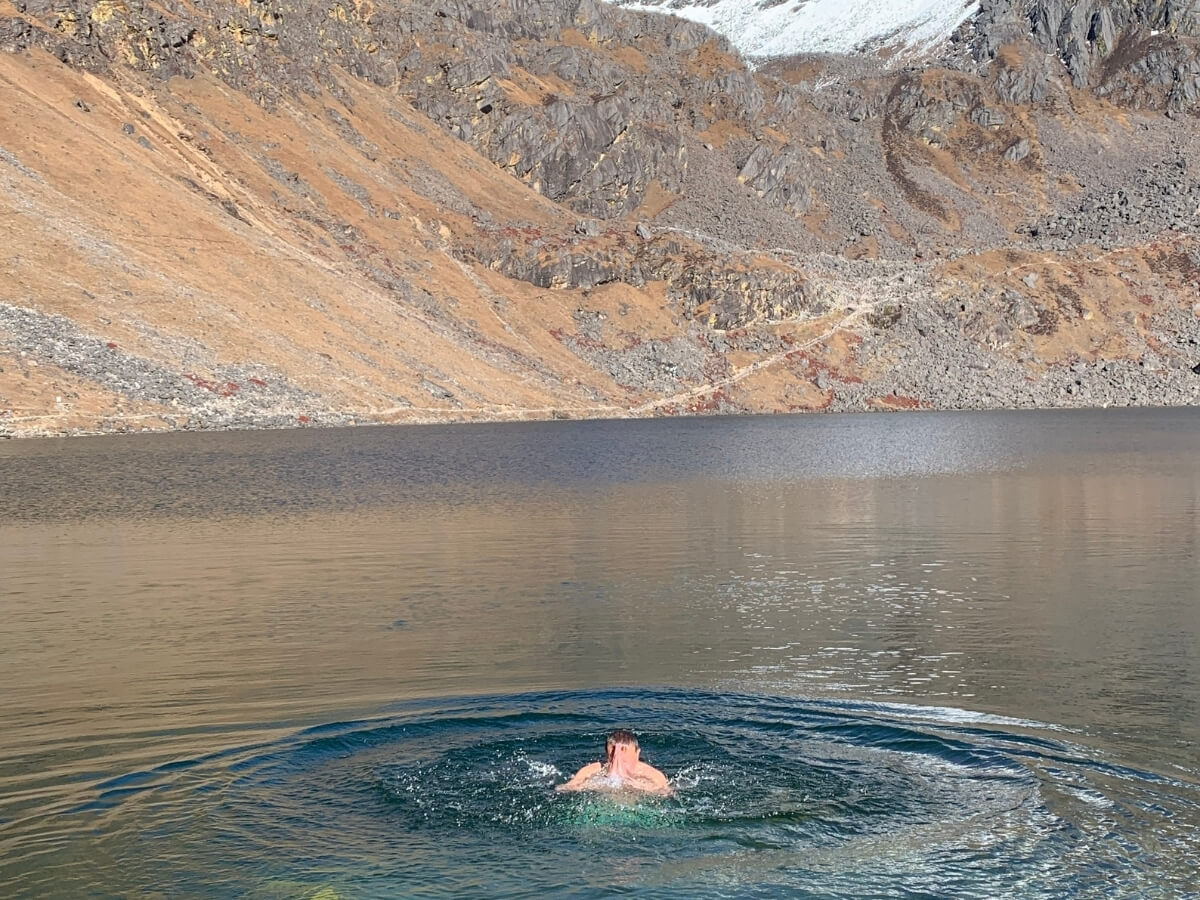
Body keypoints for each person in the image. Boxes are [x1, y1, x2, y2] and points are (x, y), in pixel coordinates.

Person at [556, 729, 671, 795]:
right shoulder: (594, 769)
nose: (618, 761)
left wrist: (633, 784)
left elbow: (666, 792)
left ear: (638, 753)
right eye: (613, 757)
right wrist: (595, 784)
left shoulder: (650, 773)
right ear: (606, 754)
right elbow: (564, 788)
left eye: (624, 760)